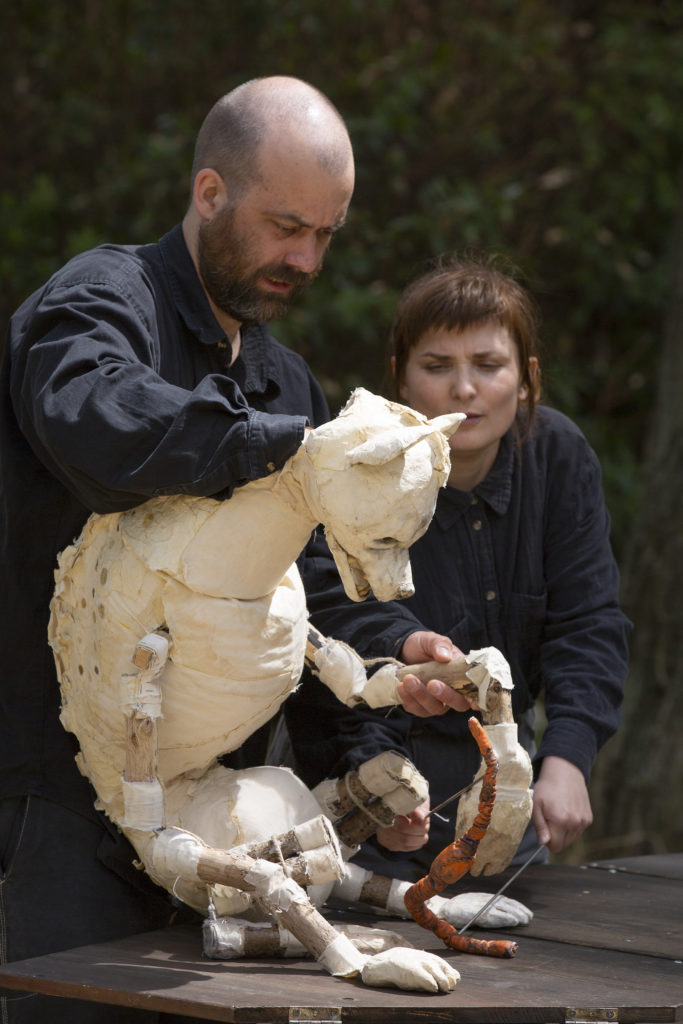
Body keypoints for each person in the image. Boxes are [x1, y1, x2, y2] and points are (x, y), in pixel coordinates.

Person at [0, 76, 464, 1024]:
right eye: (285, 226)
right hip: (55, 815)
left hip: (220, 828)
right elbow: (94, 424)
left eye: (325, 235)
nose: (305, 259)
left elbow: (313, 592)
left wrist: (395, 651)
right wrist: (281, 446)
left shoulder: (283, 378)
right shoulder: (98, 302)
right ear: (209, 192)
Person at [284, 253, 631, 883]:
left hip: (506, 806)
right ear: (401, 378)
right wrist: (377, 787)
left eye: (488, 366)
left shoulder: (559, 457)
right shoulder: (354, 467)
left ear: (527, 379)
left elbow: (588, 624)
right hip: (368, 802)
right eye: (437, 366)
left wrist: (568, 758)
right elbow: (330, 631)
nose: (464, 389)